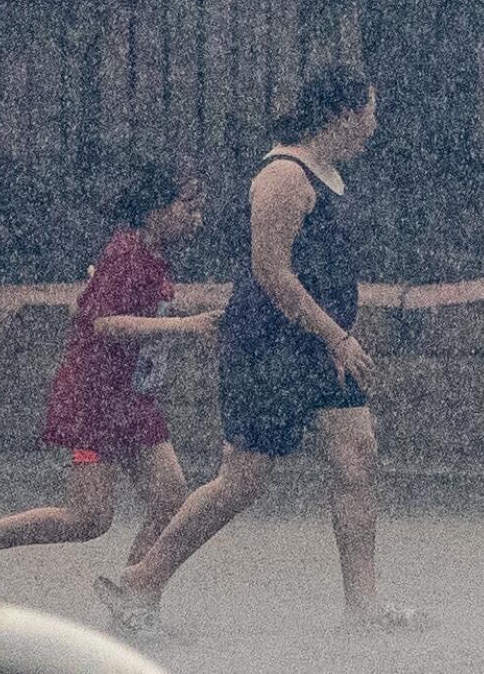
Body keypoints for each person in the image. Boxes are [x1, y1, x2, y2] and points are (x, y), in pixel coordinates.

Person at [97, 66, 420, 629]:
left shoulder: (330, 172)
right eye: (369, 111)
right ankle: (138, 584)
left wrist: (333, 337)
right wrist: (335, 335)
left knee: (356, 455)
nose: (374, 125)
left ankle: (363, 607)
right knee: (242, 481)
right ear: (342, 113)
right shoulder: (283, 176)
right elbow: (271, 272)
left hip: (319, 350)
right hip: (269, 349)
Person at [0, 164, 220, 599]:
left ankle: (134, 592)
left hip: (133, 398)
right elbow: (106, 324)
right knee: (87, 517)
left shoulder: (151, 257)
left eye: (200, 210)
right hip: (99, 398)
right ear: (154, 209)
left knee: (170, 499)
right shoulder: (127, 255)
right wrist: (187, 326)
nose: (196, 219)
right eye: (188, 207)